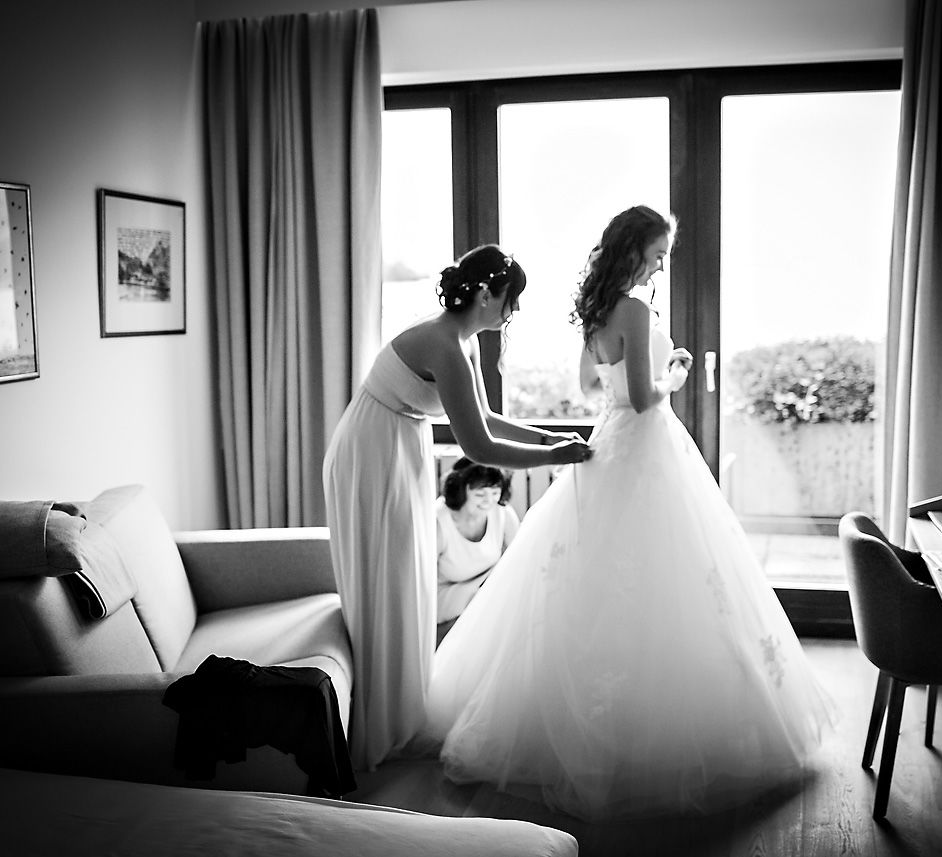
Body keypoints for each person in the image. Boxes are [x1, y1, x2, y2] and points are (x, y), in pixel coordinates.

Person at [425, 206, 835, 821]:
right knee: (673, 572)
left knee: (590, 580)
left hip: (606, 442)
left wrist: (631, 380)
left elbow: (593, 388)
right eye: (659, 254)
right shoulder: (637, 310)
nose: (662, 266)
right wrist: (676, 372)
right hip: (645, 445)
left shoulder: (596, 310)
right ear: (636, 249)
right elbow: (645, 399)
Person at [322, 244, 592, 771]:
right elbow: (479, 446)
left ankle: (402, 712)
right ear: (487, 293)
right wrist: (551, 458)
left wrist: (548, 438)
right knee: (389, 579)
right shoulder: (442, 343)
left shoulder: (461, 341)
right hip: (372, 451)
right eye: (511, 299)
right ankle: (378, 721)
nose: (514, 311)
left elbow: (486, 416)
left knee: (408, 579)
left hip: (401, 443)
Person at [435, 458, 521, 642]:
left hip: (487, 586)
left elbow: (520, 558)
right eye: (480, 494)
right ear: (461, 490)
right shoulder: (439, 521)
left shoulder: (502, 512)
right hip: (447, 594)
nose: (489, 501)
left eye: (495, 493)